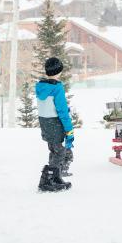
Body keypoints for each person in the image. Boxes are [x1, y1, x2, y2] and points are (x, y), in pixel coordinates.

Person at [35, 57, 74, 192]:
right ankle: (47, 180)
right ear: (59, 71)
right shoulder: (57, 87)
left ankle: (55, 177)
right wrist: (69, 131)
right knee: (60, 152)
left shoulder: (41, 86)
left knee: (54, 149)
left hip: (45, 122)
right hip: (55, 123)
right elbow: (62, 111)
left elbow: (48, 105)